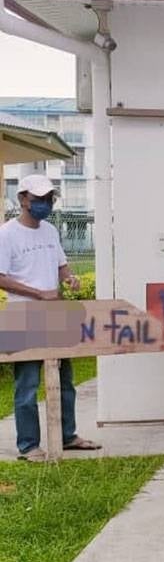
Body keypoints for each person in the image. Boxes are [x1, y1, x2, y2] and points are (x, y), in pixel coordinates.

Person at [0, 175, 102, 461]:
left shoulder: (49, 231)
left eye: (48, 200)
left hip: (56, 313)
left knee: (65, 378)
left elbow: (61, 265)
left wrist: (69, 278)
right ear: (22, 199)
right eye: (39, 199)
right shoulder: (6, 234)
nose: (44, 204)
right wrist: (37, 293)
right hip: (22, 315)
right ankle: (29, 446)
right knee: (27, 383)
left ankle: (68, 436)